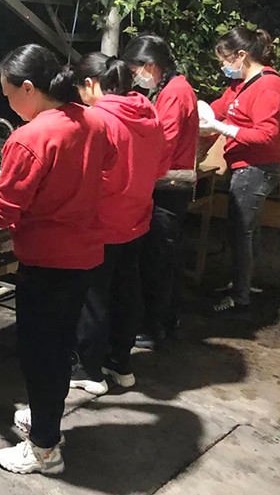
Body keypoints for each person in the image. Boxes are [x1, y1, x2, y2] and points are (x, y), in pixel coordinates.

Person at [0, 44, 115, 475]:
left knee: (41, 355)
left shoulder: (30, 137)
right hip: (85, 255)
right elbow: (108, 163)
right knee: (59, 347)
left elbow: (2, 210)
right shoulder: (93, 120)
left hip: (47, 261)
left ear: (27, 88)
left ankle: (44, 448)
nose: (8, 105)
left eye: (8, 95)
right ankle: (44, 420)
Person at [70, 53, 166, 395]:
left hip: (100, 221)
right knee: (126, 291)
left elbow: (82, 174)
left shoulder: (96, 119)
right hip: (136, 218)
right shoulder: (148, 113)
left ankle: (88, 370)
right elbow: (161, 168)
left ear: (90, 83)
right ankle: (120, 364)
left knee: (93, 297)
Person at [199, 27, 280, 314]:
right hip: (244, 165)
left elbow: (267, 135)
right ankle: (242, 284)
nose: (223, 66)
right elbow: (220, 108)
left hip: (257, 167)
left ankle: (240, 297)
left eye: (225, 60)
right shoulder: (242, 84)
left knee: (242, 232)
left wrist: (223, 128)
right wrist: (201, 115)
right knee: (246, 230)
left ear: (242, 55)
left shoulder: (269, 86)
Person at [122, 34, 199, 349]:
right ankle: (167, 319)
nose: (136, 78)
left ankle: (154, 327)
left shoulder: (174, 93)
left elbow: (163, 145)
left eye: (135, 70)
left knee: (158, 259)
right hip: (171, 185)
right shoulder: (175, 88)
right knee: (166, 257)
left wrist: (136, 174)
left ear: (150, 65)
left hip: (168, 187)